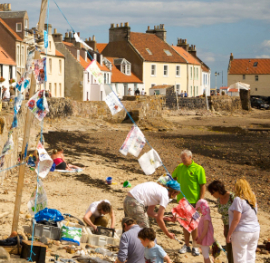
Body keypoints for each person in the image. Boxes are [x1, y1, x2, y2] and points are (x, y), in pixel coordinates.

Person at [172, 149, 206, 256]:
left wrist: (200, 200)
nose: (182, 160)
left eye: (184, 158)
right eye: (181, 158)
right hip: (182, 200)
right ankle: (186, 245)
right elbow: (172, 178)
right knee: (184, 223)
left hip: (194, 201)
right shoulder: (179, 168)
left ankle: (195, 246)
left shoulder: (198, 168)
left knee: (194, 224)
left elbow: (203, 186)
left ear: (190, 157)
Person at [227, 179, 260, 263]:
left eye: (234, 186)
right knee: (250, 256)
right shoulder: (252, 197)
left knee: (240, 258)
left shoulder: (238, 200)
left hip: (242, 232)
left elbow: (236, 219)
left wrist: (229, 234)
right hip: (255, 230)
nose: (233, 188)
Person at [207, 180, 234, 263]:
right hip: (226, 225)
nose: (212, 195)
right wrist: (225, 228)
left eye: (212, 192)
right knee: (229, 248)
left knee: (235, 248)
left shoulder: (232, 197)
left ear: (218, 190)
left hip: (235, 225)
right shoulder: (219, 200)